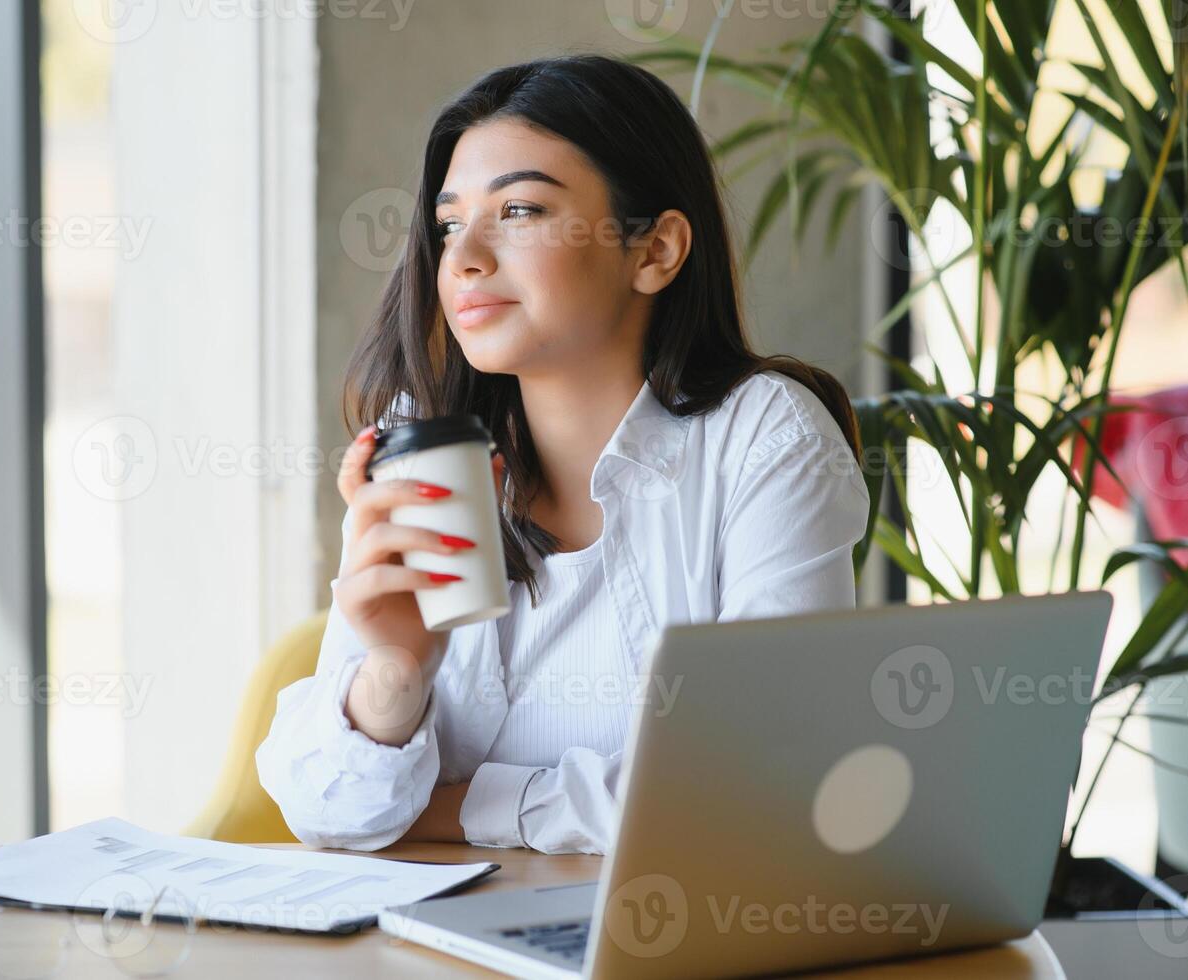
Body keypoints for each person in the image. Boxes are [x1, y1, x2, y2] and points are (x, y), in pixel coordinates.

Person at [256, 54, 870, 855]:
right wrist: (394, 673)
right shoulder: (426, 445)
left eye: (518, 210)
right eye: (448, 224)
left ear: (654, 250)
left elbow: (768, 784)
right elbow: (328, 817)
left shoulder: (765, 438)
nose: (464, 258)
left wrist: (460, 806)